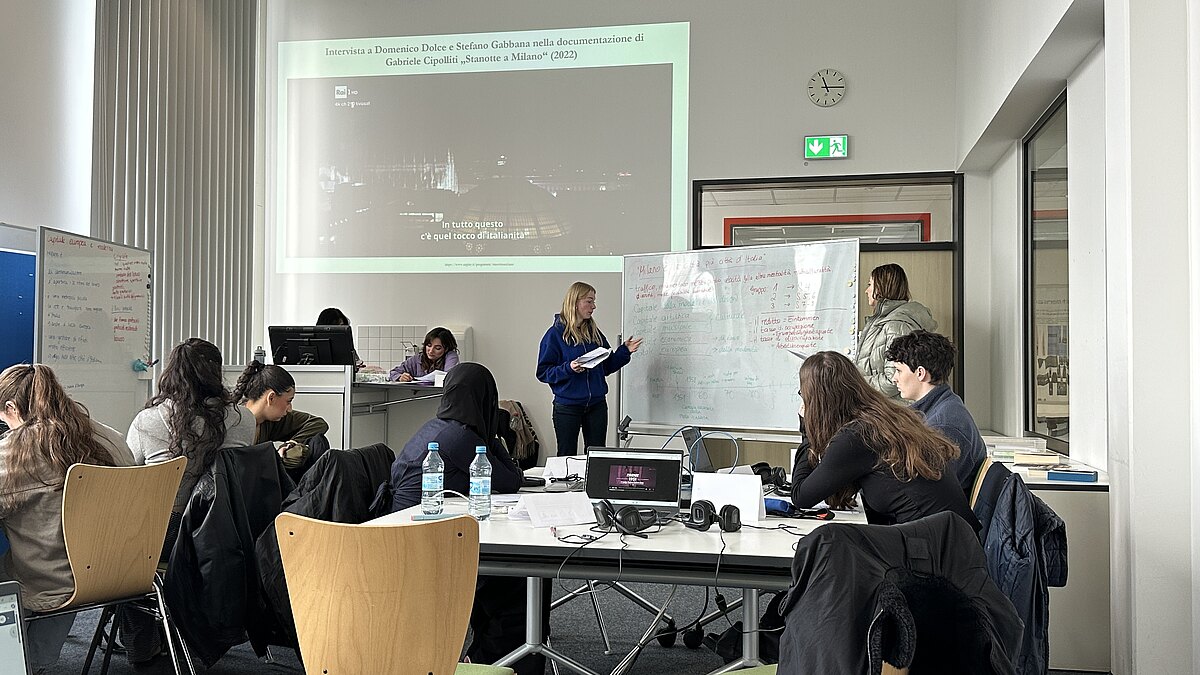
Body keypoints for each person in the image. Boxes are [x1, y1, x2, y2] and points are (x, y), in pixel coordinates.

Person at [387, 363, 542, 675]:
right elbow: (511, 480)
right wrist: (493, 433)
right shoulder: (459, 438)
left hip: (411, 531)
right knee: (522, 577)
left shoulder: (438, 427)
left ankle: (490, 655)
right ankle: (490, 661)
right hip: (423, 542)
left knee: (510, 577)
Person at [0, 364, 135, 671]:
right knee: (60, 553)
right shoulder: (111, 438)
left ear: (12, 408)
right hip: (120, 569)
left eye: (5, 421)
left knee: (27, 567)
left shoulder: (15, 453)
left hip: (57, 578)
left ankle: (18, 662)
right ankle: (33, 658)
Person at [790, 351, 979, 531]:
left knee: (829, 539)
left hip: (939, 544)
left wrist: (807, 431)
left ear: (817, 401)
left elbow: (801, 497)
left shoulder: (857, 436)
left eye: (803, 395)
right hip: (950, 536)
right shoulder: (883, 418)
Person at [127, 338, 256, 536]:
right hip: (224, 532)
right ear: (217, 373)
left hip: (161, 534)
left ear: (171, 373)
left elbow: (128, 474)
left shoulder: (146, 421)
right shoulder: (244, 418)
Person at [536, 282, 642, 456]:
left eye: (594, 301)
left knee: (597, 455)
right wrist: (569, 368)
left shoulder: (594, 332)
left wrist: (624, 351)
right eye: (589, 301)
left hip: (596, 405)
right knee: (566, 455)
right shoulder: (554, 334)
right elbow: (543, 372)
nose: (594, 306)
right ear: (575, 302)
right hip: (567, 407)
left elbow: (606, 367)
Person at [884, 330, 988, 493]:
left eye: (899, 370)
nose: (894, 378)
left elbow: (927, 489)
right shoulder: (943, 406)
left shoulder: (943, 425)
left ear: (920, 373)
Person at [856, 263, 936, 401]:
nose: (866, 291)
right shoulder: (881, 321)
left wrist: (856, 384)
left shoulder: (897, 326)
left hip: (891, 409)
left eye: (870, 285)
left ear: (881, 288)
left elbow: (892, 381)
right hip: (880, 405)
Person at [233, 361, 329, 473]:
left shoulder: (270, 420)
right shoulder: (235, 423)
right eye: (288, 401)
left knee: (318, 442)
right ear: (271, 398)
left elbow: (318, 423)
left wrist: (291, 443)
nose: (289, 409)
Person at [389, 327, 460, 382]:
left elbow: (449, 376)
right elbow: (393, 372)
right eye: (429, 345)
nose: (431, 351)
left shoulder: (451, 356)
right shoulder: (417, 359)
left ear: (446, 349)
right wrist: (400, 377)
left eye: (437, 348)